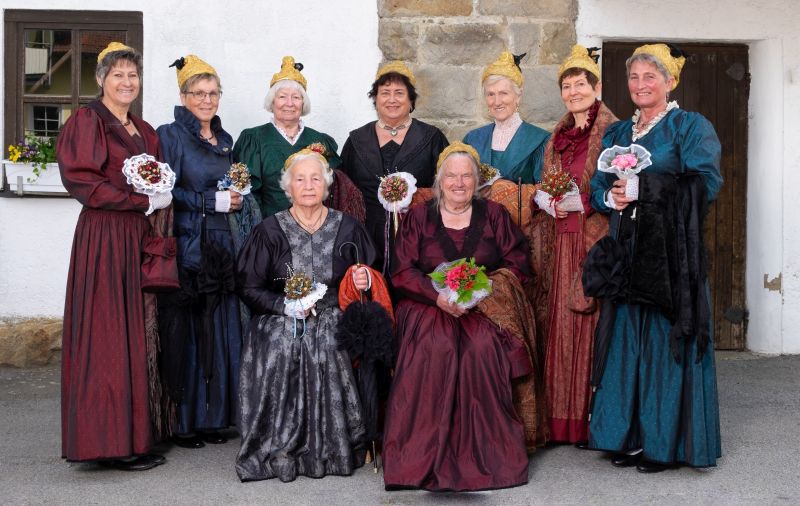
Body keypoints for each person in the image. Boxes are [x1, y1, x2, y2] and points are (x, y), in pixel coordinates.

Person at [586, 43, 723, 472]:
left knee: (665, 344)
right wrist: (610, 196)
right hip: (626, 249)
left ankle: (665, 443)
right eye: (634, 77)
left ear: (669, 81)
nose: (641, 85)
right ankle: (627, 437)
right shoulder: (617, 134)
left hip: (670, 254)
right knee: (627, 340)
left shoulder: (689, 127)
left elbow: (706, 185)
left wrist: (645, 190)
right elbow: (596, 186)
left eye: (650, 77)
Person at [382, 142, 535, 491]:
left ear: (478, 180)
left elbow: (518, 262)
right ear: (439, 180)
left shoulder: (494, 214)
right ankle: (420, 456)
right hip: (426, 305)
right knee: (437, 345)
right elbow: (402, 271)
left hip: (482, 305)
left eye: (467, 175)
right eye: (451, 175)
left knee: (482, 347)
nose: (459, 182)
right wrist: (437, 298)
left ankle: (486, 457)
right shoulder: (419, 216)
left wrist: (482, 290)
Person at [57, 42, 171, 471]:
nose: (127, 82)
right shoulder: (89, 121)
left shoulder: (144, 129)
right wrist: (139, 202)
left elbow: (158, 177)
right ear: (101, 79)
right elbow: (82, 180)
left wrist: (159, 199)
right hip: (104, 236)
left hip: (136, 235)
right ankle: (106, 442)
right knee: (107, 332)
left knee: (136, 333)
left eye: (133, 76)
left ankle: (135, 435)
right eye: (118, 75)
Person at [234, 149, 375, 482]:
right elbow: (248, 287)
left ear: (326, 185)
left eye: (316, 179)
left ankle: (333, 447)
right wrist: (284, 307)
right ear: (288, 187)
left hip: (334, 311)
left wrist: (364, 279)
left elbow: (371, 273)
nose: (308, 186)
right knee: (283, 340)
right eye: (300, 179)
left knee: (330, 338)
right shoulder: (268, 231)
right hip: (280, 311)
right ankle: (279, 445)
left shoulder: (348, 228)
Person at [157, 55, 253, 449]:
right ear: (183, 96)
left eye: (213, 93)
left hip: (221, 243)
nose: (207, 99)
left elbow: (229, 188)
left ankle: (215, 418)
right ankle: (186, 422)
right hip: (190, 243)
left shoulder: (225, 139)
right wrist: (207, 202)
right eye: (198, 93)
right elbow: (164, 191)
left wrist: (235, 198)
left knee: (220, 327)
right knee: (193, 332)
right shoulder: (171, 135)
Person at [532, 45, 618, 445]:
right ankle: (557, 420)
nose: (572, 92)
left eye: (580, 84)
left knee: (587, 324)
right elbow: (549, 179)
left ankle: (588, 421)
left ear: (595, 87)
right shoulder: (558, 135)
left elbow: (615, 188)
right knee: (558, 327)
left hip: (591, 239)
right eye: (566, 86)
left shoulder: (613, 130)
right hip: (559, 242)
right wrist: (546, 199)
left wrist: (581, 201)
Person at [340, 60, 448, 273]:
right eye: (385, 92)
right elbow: (344, 191)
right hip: (366, 237)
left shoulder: (432, 138)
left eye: (399, 93)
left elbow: (447, 187)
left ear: (411, 100)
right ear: (375, 98)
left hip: (419, 235)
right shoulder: (356, 140)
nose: (392, 99)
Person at [233, 56, 363, 220]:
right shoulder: (253, 139)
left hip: (316, 229)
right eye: (282, 97)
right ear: (272, 102)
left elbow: (334, 190)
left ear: (303, 103)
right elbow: (248, 197)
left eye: (296, 97)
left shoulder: (320, 140)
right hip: (270, 230)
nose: (289, 103)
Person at [463, 50, 550, 184]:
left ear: (518, 96)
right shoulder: (472, 139)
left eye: (504, 93)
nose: (497, 102)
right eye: (491, 94)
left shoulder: (540, 140)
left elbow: (546, 193)